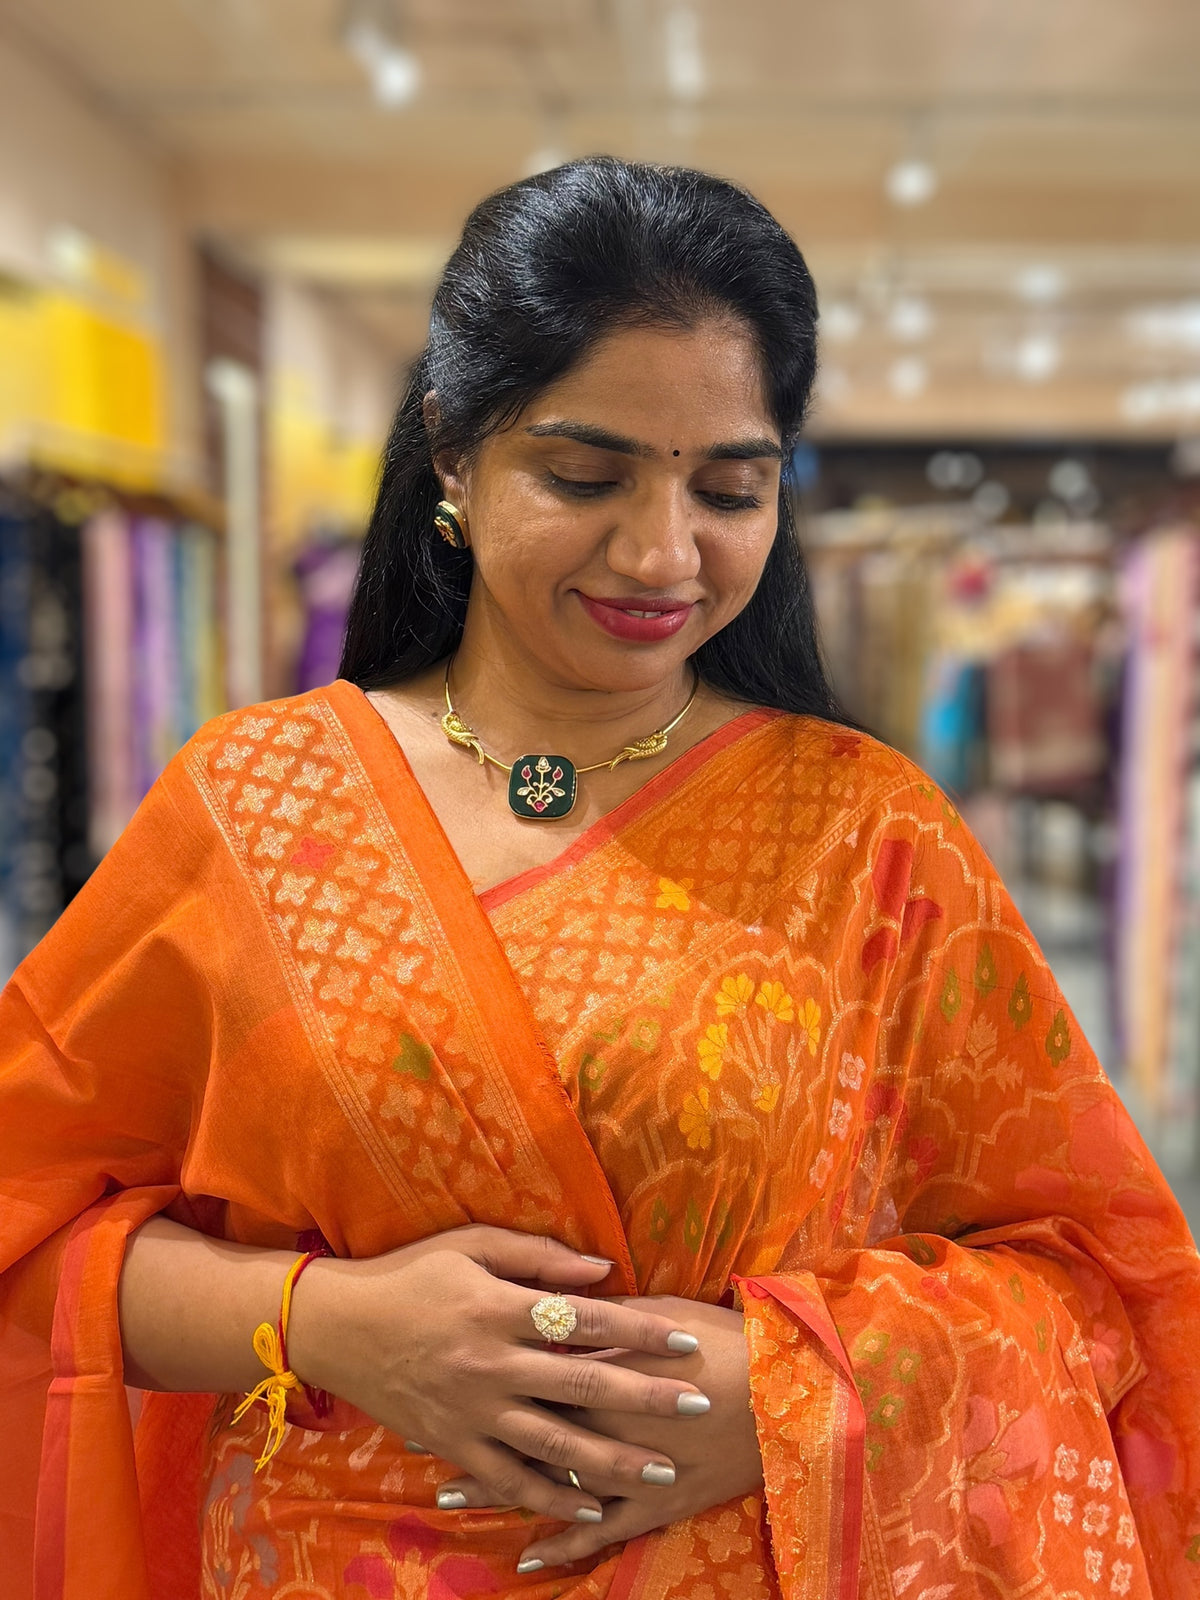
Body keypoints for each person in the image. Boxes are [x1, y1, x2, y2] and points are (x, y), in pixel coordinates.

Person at [2, 157, 1198, 1600]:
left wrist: (787, 1390)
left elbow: (1099, 1280)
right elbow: (25, 1219)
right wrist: (320, 1322)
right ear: (452, 452)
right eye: (585, 475)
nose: (662, 552)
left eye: (732, 488)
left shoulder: (865, 833)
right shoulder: (258, 808)